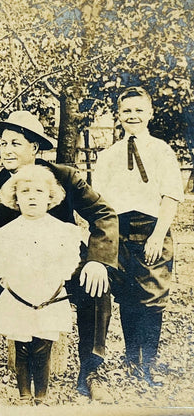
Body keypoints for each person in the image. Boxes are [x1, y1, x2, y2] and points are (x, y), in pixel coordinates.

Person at [0, 110, 119, 402]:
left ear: (35, 148)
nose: (6, 150)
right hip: (13, 274)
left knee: (97, 283)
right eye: (2, 144)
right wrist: (8, 272)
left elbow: (103, 214)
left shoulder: (64, 177)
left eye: (15, 143)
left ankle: (91, 372)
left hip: (60, 269)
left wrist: (97, 260)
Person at [92, 86, 184, 387]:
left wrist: (157, 236)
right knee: (129, 296)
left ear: (150, 114)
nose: (133, 116)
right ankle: (132, 361)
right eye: (127, 111)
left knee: (152, 296)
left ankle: (149, 365)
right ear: (119, 116)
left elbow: (171, 196)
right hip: (117, 227)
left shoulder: (161, 150)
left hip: (151, 227)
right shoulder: (108, 155)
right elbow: (100, 199)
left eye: (139, 110)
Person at [0, 164, 82, 404]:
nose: (32, 197)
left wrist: (56, 278)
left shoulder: (61, 231)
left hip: (48, 294)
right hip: (20, 295)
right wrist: (4, 276)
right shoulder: (6, 233)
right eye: (25, 192)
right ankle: (24, 394)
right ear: (16, 198)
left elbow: (67, 261)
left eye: (39, 191)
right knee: (22, 346)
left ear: (50, 197)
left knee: (42, 344)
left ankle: (42, 395)